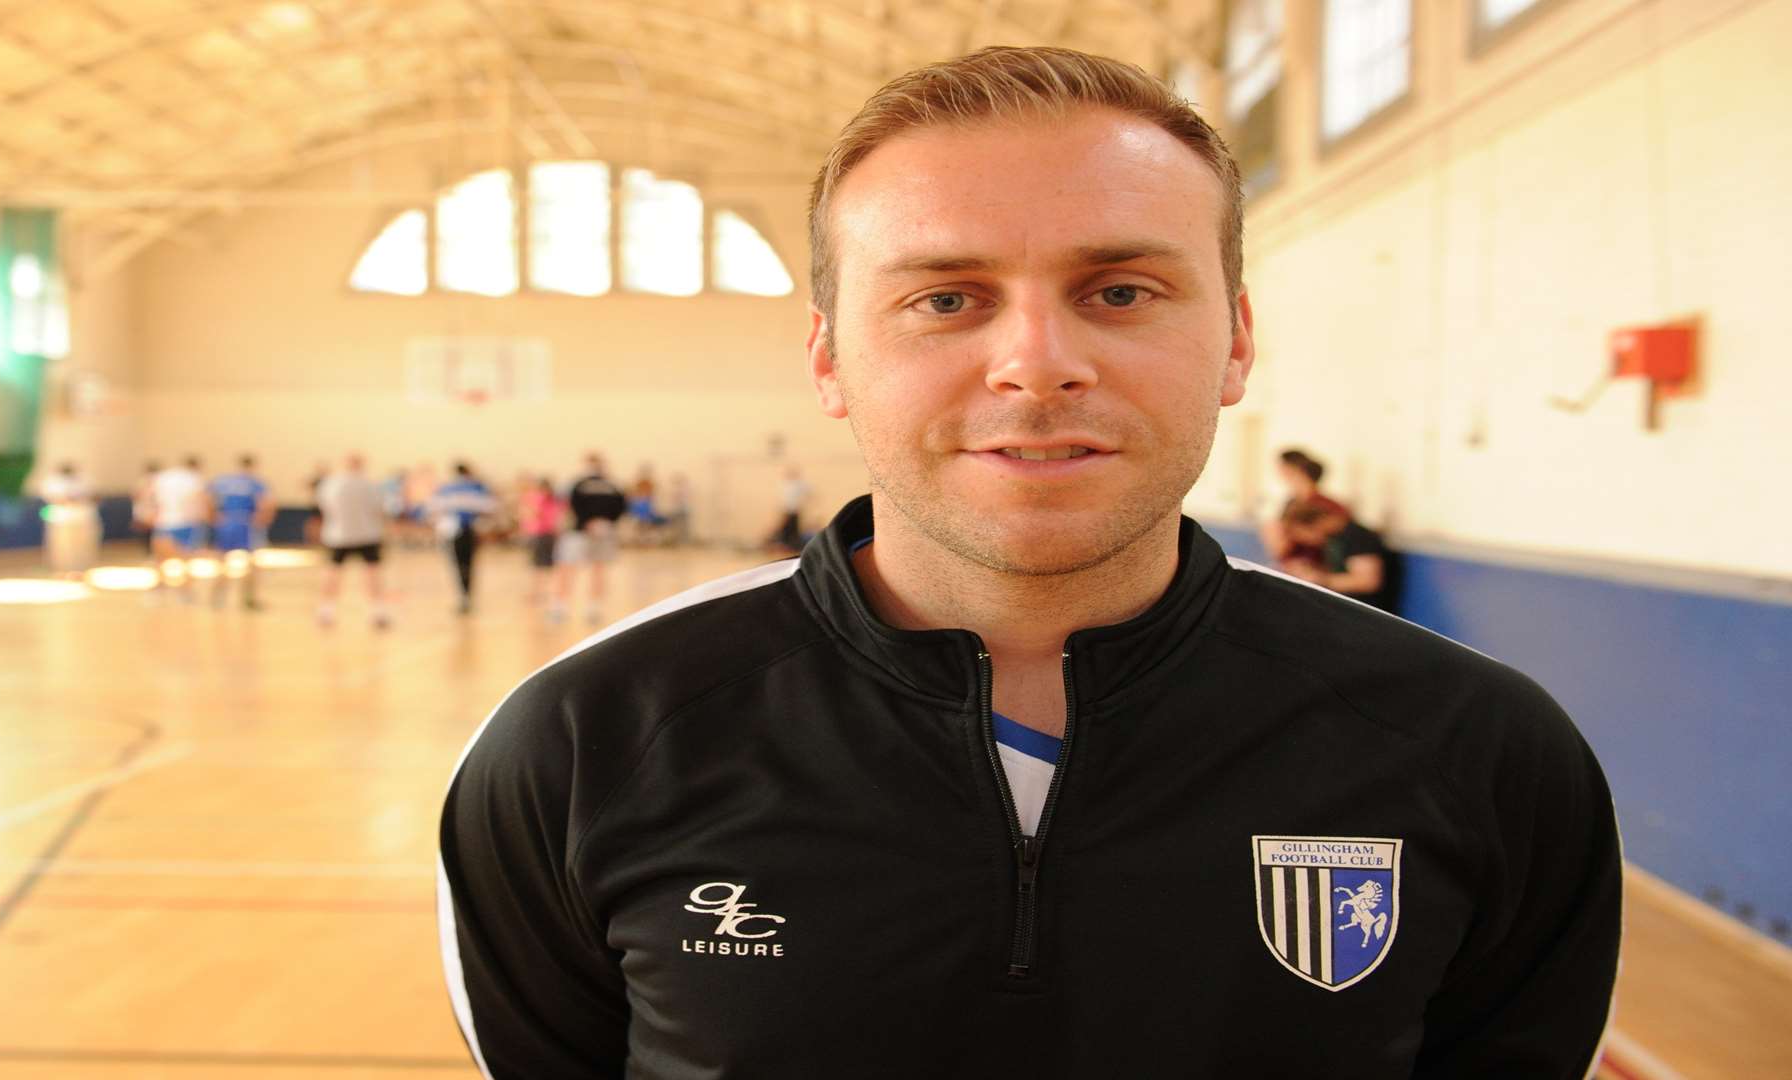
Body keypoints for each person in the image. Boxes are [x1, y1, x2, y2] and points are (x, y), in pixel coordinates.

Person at [438, 48, 1619, 1078]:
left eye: (1119, 290)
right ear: (829, 358)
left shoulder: (1480, 751)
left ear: (1236, 339)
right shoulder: (587, 743)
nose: (1036, 363)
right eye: (946, 297)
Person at [1279, 499, 1399, 614]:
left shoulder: (1357, 536)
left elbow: (1368, 582)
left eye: (1301, 534)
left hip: (1366, 610)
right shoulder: (1334, 539)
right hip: (1346, 607)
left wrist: (1321, 580)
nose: (1305, 541)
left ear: (1311, 524)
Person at [315, 453, 391, 629]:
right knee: (370, 573)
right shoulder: (370, 484)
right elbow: (379, 508)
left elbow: (324, 506)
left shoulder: (331, 484)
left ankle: (327, 611)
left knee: (335, 572)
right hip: (365, 534)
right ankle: (377, 612)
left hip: (340, 535)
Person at [551, 452, 628, 625]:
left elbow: (573, 504)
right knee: (571, 568)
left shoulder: (587, 484)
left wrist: (596, 522)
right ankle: (563, 606)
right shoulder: (609, 484)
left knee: (593, 569)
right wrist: (602, 522)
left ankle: (589, 607)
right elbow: (621, 506)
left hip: (588, 532)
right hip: (589, 531)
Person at [428, 462, 501, 615]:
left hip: (455, 532)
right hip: (470, 531)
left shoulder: (447, 488)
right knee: (469, 564)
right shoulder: (477, 487)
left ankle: (463, 596)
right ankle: (467, 596)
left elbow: (433, 508)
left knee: (458, 565)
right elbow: (491, 506)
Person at [207, 453, 274, 610]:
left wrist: (213, 517)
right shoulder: (255, 483)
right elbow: (267, 504)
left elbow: (206, 498)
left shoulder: (223, 481)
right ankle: (249, 600)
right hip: (245, 523)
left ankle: (216, 598)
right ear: (252, 466)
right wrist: (261, 519)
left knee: (223, 560)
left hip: (226, 523)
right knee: (251, 562)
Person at [1261, 447, 1348, 564]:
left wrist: (1289, 533)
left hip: (1315, 568)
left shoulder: (1328, 506)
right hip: (1291, 566)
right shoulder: (1291, 503)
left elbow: (1334, 539)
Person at [148, 455, 207, 602]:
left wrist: (150, 514)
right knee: (186, 556)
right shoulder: (194, 479)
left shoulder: (164, 477)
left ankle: (159, 586)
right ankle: (186, 589)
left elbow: (149, 495)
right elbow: (201, 499)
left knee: (160, 556)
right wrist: (203, 515)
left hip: (164, 520)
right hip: (185, 522)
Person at [38, 460, 99, 577]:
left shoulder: (85, 479)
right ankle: (62, 569)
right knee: (63, 546)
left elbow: (95, 495)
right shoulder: (53, 481)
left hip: (83, 517)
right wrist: (68, 499)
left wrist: (82, 498)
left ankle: (82, 569)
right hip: (62, 519)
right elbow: (55, 498)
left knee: (83, 546)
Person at [517, 475, 564, 605]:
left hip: (543, 535)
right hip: (544, 534)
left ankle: (540, 592)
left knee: (541, 565)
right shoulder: (550, 500)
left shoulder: (546, 500)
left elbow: (539, 515)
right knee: (541, 565)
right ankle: (540, 591)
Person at [766, 463, 811, 553]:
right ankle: (785, 547)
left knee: (793, 531)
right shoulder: (786, 485)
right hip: (787, 512)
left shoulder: (799, 484)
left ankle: (792, 547)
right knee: (785, 531)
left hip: (794, 512)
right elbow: (784, 502)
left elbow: (808, 493)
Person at [129, 461, 160, 559]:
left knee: (153, 532)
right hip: (147, 509)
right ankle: (150, 552)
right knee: (148, 532)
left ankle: (152, 551)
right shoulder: (143, 481)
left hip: (152, 509)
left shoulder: (158, 481)